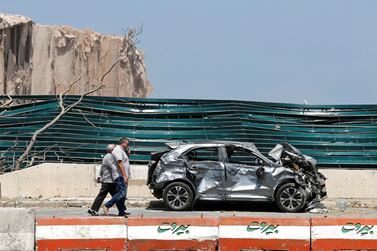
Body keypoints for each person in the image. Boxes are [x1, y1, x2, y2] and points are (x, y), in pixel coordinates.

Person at [88, 144, 119, 216]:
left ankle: (122, 210)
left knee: (117, 196)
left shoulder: (109, 156)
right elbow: (113, 167)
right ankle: (93, 210)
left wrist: (100, 176)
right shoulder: (109, 157)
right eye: (115, 149)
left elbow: (102, 169)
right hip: (108, 180)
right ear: (111, 150)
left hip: (110, 180)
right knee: (105, 196)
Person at [103, 137, 131, 217]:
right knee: (121, 192)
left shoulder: (122, 151)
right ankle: (107, 205)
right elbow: (119, 163)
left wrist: (128, 154)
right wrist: (124, 176)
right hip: (120, 175)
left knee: (123, 195)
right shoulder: (117, 150)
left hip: (123, 175)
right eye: (127, 143)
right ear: (123, 143)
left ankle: (121, 212)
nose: (128, 145)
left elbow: (125, 162)